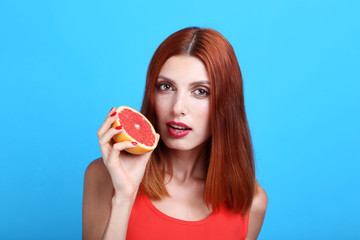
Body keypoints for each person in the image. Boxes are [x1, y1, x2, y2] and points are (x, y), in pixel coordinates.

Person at [82, 27, 268, 240]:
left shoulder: (251, 203)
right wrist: (124, 197)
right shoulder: (105, 176)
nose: (178, 107)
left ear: (227, 103)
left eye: (201, 91)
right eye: (166, 87)